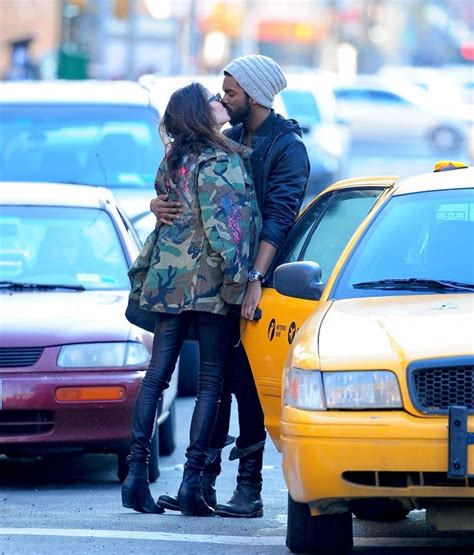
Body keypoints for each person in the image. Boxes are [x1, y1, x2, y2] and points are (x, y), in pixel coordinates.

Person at [153, 55, 310, 518]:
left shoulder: (287, 147)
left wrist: (256, 280)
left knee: (248, 386)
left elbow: (279, 217)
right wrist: (156, 203)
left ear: (257, 96)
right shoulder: (236, 136)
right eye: (223, 92)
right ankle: (199, 484)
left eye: (231, 93)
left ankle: (249, 489)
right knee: (215, 381)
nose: (222, 99)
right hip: (222, 279)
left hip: (262, 280)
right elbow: (193, 189)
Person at [121, 82, 260, 516]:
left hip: (166, 281)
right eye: (212, 101)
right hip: (208, 285)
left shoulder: (174, 158)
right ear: (200, 114)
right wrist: (240, 283)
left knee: (157, 375)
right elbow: (228, 232)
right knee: (210, 382)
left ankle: (135, 476)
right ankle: (190, 484)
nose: (220, 103)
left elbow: (167, 205)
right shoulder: (220, 160)